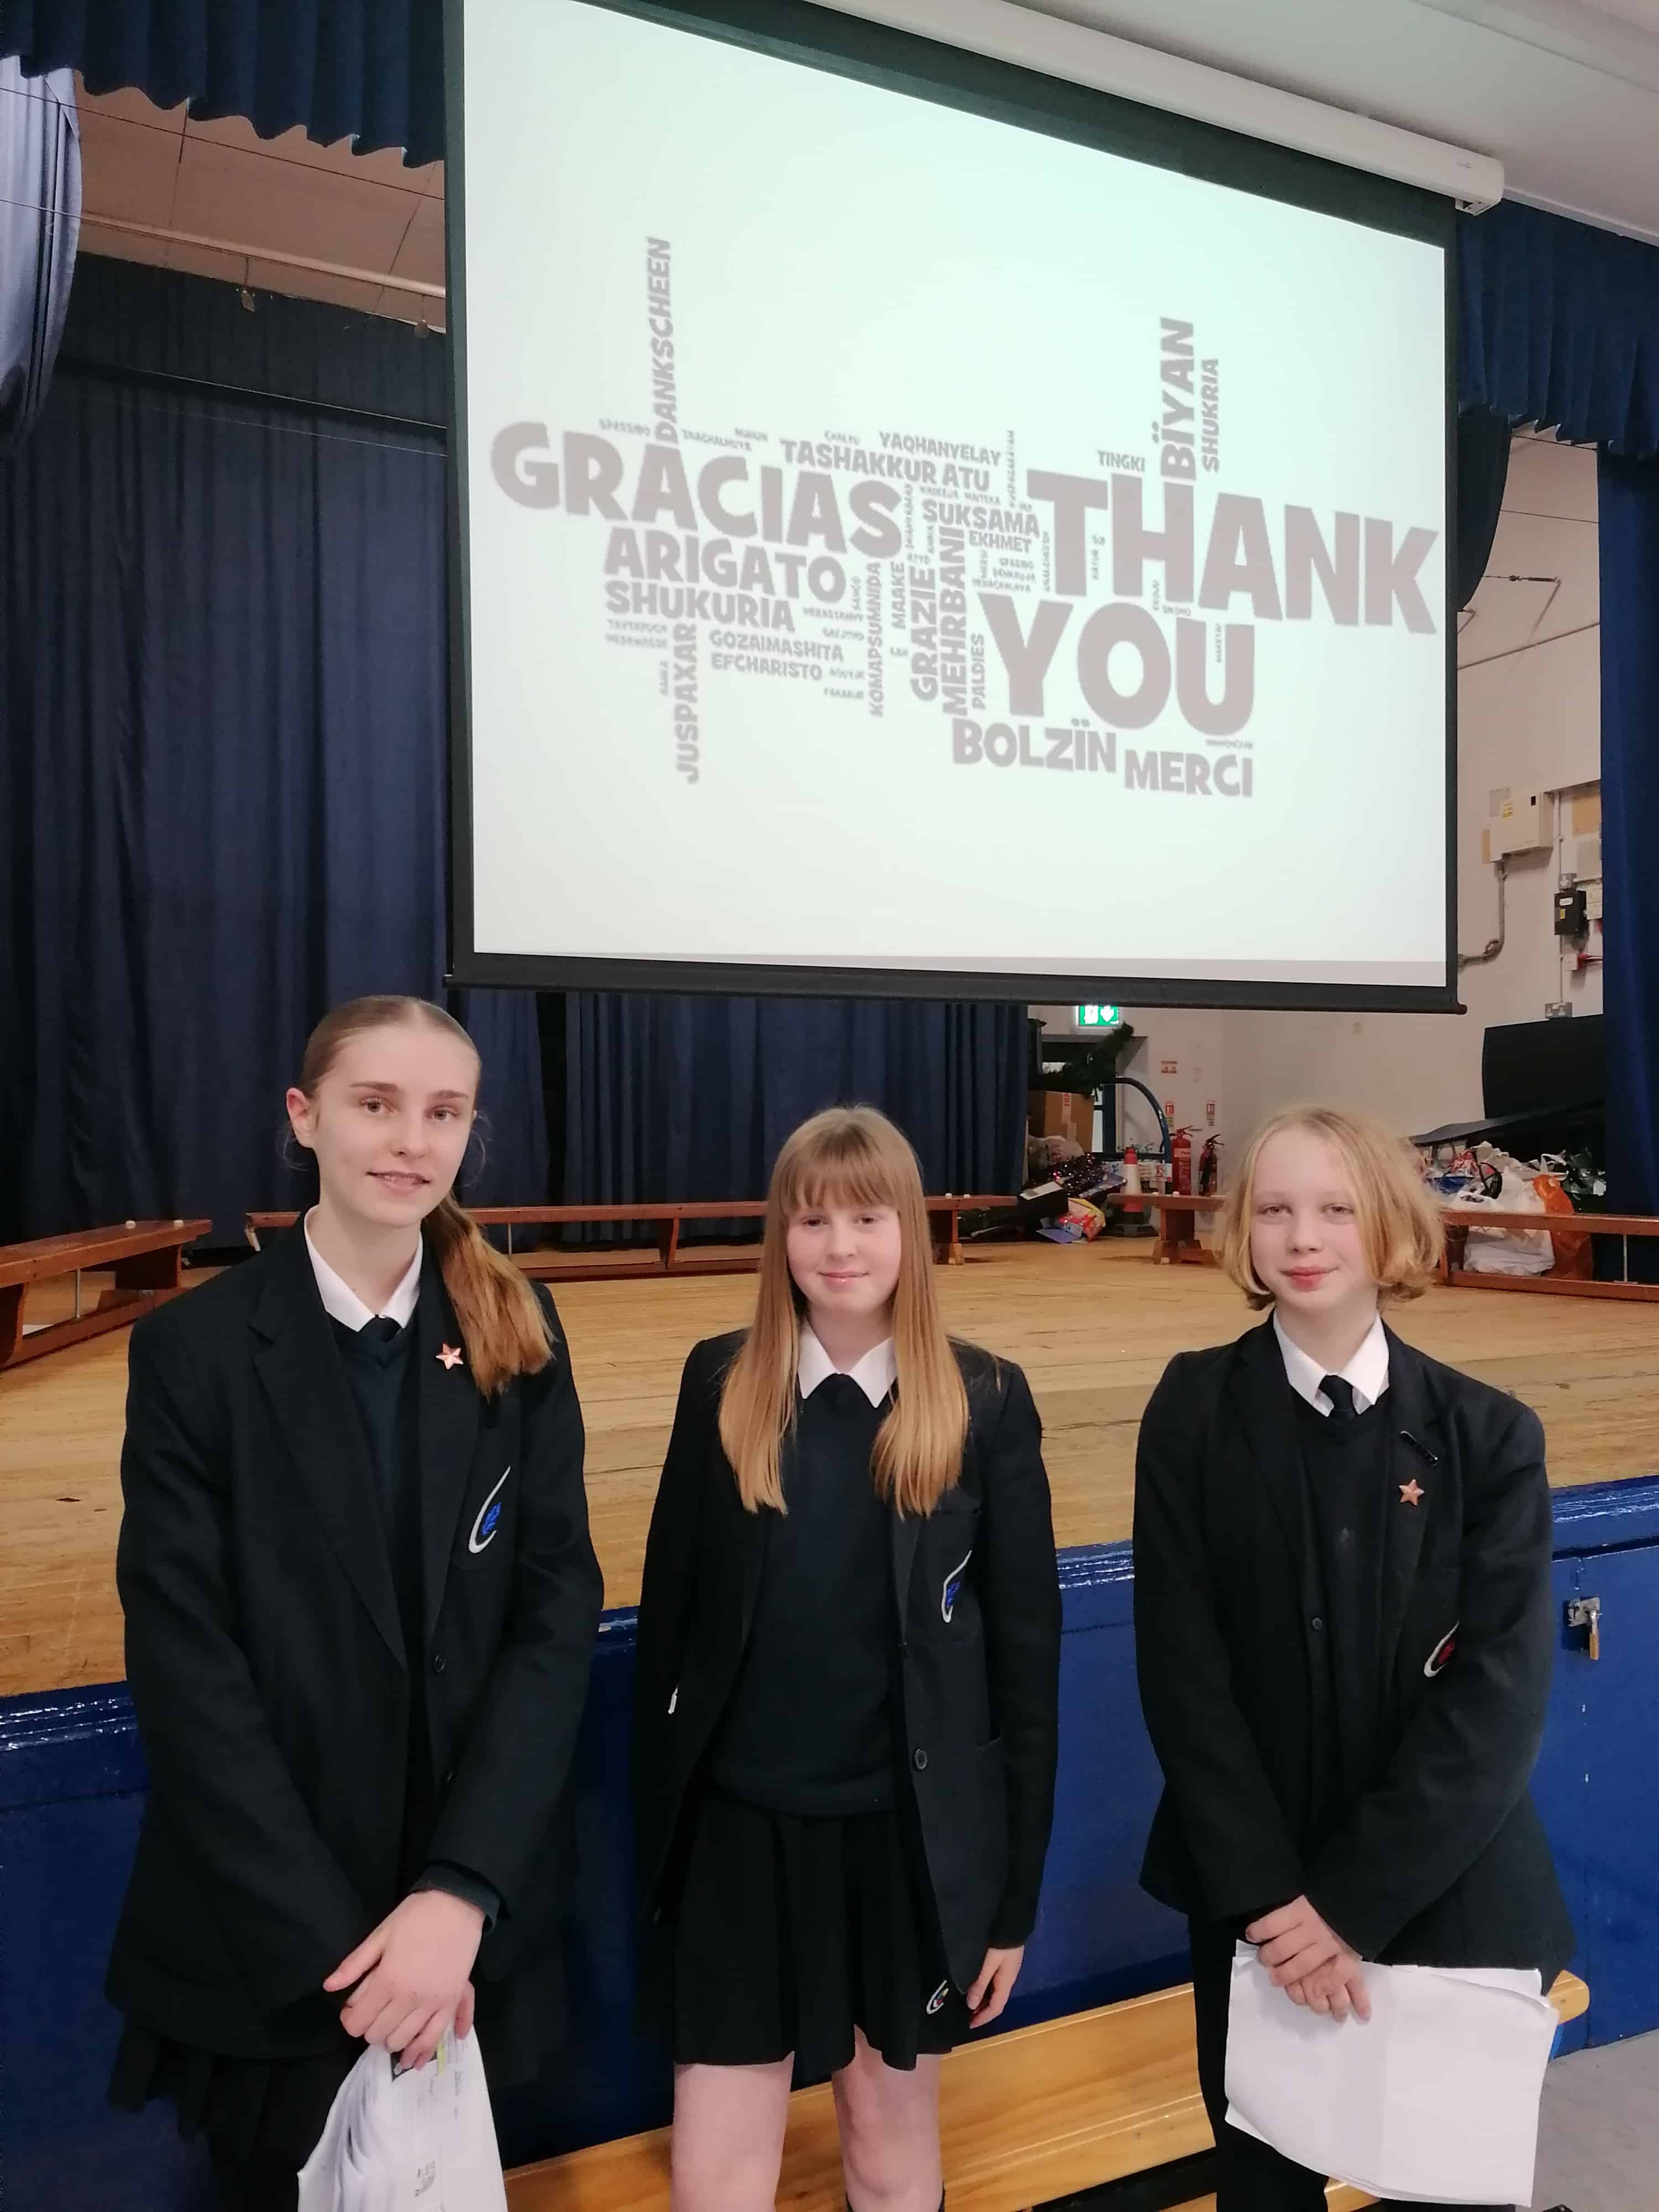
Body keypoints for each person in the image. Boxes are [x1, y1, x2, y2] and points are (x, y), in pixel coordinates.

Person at [107, 995, 603, 2209]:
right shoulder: (195, 1351)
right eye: (375, 1103)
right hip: (274, 1935)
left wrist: (459, 1892)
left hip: (465, 1936)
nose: (408, 1140)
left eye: (442, 1112)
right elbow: (189, 1667)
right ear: (304, 1117)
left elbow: (553, 1617)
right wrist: (354, 1954)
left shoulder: (517, 1333)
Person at [1133, 1105, 1574, 2212]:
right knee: (1265, 2187)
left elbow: (1496, 1705)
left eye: (1334, 1206)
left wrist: (1345, 1906)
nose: (1303, 1233)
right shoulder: (1193, 1407)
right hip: (1259, 1906)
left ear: (1387, 1225)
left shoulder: (1491, 1435)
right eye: (1274, 1208)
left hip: (1442, 1889)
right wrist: (1278, 1903)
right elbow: (1184, 1676)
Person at [633, 1105, 1062, 2212]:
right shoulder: (717, 1381)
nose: (840, 1244)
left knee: (886, 2147)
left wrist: (1008, 1903)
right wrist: (663, 1846)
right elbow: (668, 1627)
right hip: (740, 1838)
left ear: (911, 1232)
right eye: (812, 1218)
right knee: (718, 2168)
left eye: (868, 1216)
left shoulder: (988, 1397)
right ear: (781, 1235)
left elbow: (1027, 1668)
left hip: (899, 1849)